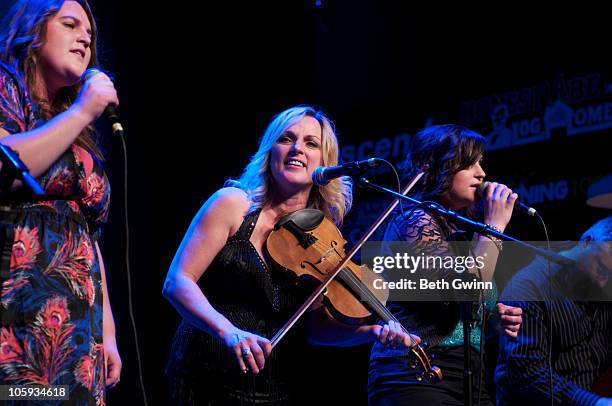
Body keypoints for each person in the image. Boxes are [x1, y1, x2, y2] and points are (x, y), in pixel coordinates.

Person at [163, 105, 419, 405]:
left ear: (325, 164)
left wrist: (371, 332)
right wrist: (229, 332)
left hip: (273, 383)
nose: (297, 148)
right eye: (286, 138)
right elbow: (178, 281)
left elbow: (315, 328)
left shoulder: (323, 236)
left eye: (311, 143)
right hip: (204, 371)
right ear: (270, 151)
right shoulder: (233, 204)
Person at [0, 0, 121, 404]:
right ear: (32, 31)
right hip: (18, 312)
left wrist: (108, 332)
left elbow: (86, 230)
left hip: (77, 329)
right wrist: (86, 109)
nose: (85, 38)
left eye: (89, 34)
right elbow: (9, 167)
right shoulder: (6, 88)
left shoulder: (72, 123)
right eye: (70, 24)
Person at [367, 124, 523, 405]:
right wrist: (493, 226)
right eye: (469, 163)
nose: (481, 173)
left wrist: (494, 320)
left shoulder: (464, 233)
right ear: (436, 167)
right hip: (417, 373)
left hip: (468, 378)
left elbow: (461, 310)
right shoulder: (415, 219)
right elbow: (463, 289)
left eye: (481, 163)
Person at [495, 216, 612, 406]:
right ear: (587, 242)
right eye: (602, 270)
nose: (603, 284)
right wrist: (594, 402)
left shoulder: (602, 290)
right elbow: (527, 373)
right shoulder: (529, 286)